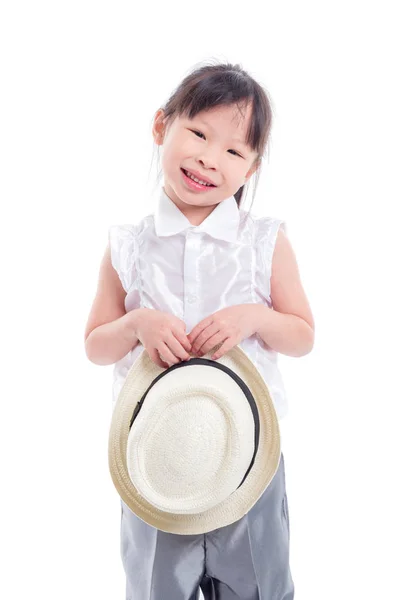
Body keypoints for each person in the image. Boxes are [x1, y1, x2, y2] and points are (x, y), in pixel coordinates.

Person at [84, 60, 315, 600]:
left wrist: (254, 317)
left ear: (251, 169)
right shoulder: (129, 246)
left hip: (249, 459)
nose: (211, 160)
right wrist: (137, 324)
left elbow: (303, 334)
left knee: (259, 582)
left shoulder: (262, 242)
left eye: (234, 152)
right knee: (157, 586)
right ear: (162, 126)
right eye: (198, 133)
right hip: (156, 462)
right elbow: (96, 344)